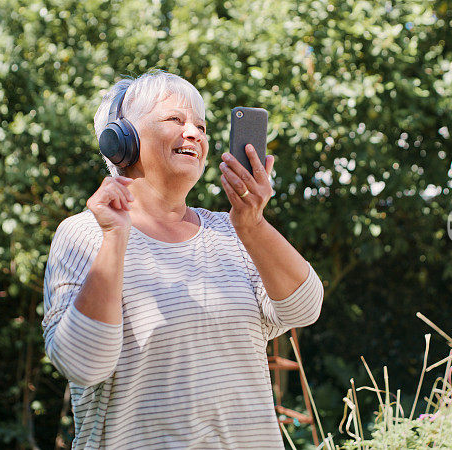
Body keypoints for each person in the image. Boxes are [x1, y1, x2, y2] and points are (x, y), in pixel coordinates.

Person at [42, 70, 324, 449]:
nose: (194, 133)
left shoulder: (234, 232)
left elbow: (304, 309)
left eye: (201, 126)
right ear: (121, 141)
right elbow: (82, 364)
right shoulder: (86, 233)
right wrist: (115, 237)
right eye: (176, 120)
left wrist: (253, 223)